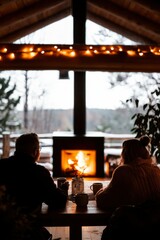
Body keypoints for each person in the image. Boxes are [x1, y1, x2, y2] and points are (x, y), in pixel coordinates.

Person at [0, 132, 69, 240]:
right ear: (35, 151)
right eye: (39, 149)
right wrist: (63, 189)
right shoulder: (39, 173)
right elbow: (57, 201)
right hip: (26, 231)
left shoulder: (1, 166)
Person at [95, 135, 160, 239]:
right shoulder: (156, 170)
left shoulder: (123, 171)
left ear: (125, 154)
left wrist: (101, 190)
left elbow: (102, 200)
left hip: (131, 228)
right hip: (154, 228)